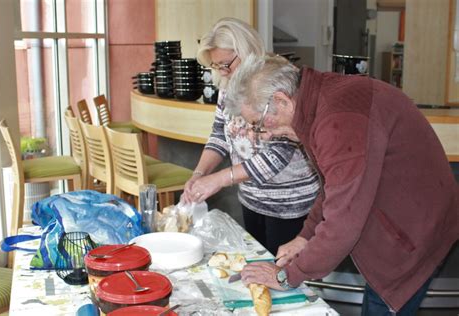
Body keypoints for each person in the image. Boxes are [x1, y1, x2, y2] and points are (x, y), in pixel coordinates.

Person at [225, 54, 459, 315]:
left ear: (281, 100)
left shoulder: (337, 120)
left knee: (382, 305)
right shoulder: (318, 101)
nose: (264, 135)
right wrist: (305, 237)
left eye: (259, 124)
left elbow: (343, 222)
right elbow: (333, 186)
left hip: (415, 232)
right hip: (405, 219)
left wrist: (287, 276)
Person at [181, 17, 320, 255]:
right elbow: (219, 135)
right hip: (251, 198)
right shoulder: (227, 87)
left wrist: (220, 179)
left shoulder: (277, 81)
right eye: (217, 67)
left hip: (290, 204)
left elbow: (281, 151)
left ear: (246, 49)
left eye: (226, 64)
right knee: (261, 271)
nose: (223, 72)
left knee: (287, 277)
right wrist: (199, 174)